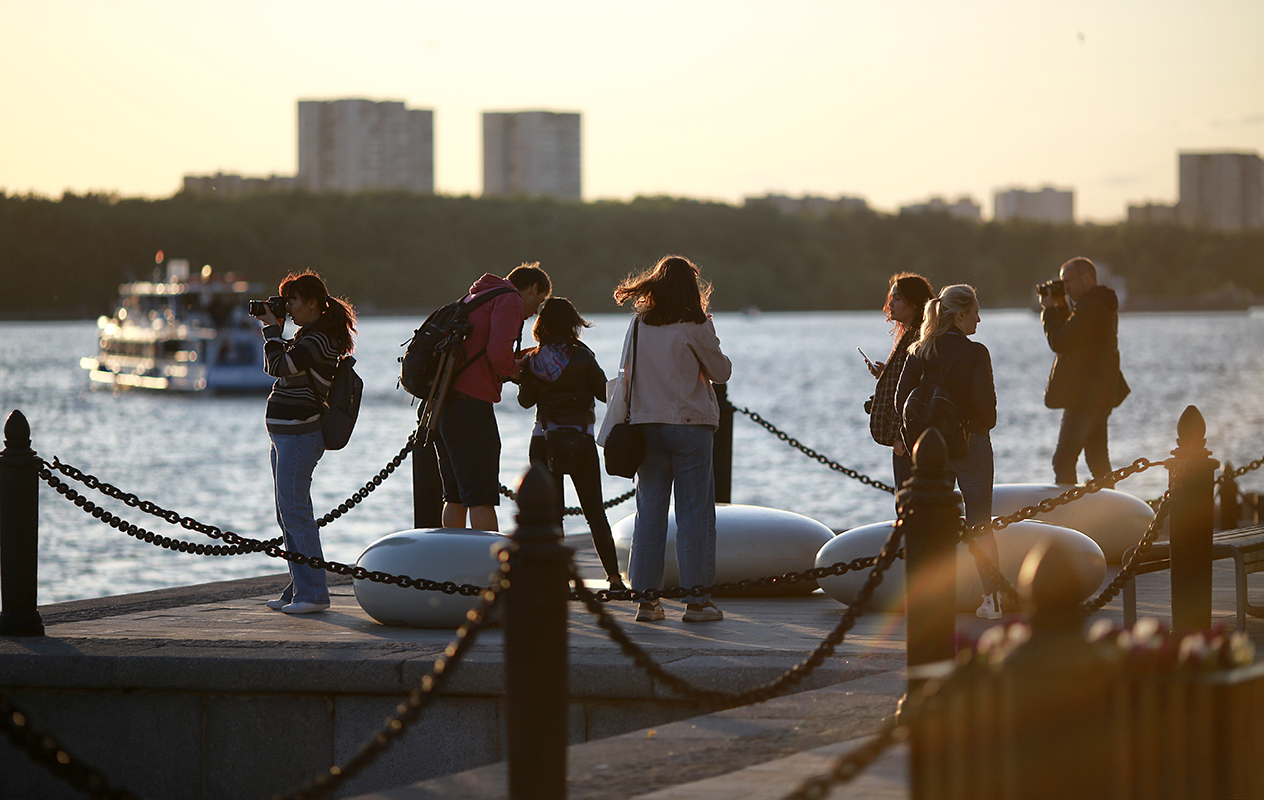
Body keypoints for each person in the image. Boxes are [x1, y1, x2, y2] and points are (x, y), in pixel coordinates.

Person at [612, 255, 732, 623]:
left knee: (649, 513)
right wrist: (710, 333)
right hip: (691, 426)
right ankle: (697, 602)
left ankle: (647, 603)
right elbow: (721, 372)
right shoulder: (696, 325)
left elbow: (626, 373)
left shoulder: (639, 324)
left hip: (647, 426)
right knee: (695, 514)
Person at [896, 284, 1003, 620]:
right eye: (974, 312)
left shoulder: (918, 351)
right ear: (959, 315)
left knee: (931, 526)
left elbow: (901, 402)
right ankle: (993, 599)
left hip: (929, 453)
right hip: (971, 445)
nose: (979, 319)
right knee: (980, 524)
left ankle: (930, 598)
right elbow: (988, 412)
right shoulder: (976, 353)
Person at [258, 271, 357, 614]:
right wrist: (279, 332)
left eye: (293, 300)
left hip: (300, 436)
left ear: (313, 302)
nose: (287, 307)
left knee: (297, 513)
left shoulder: (320, 340)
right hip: (286, 434)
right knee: (287, 514)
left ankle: (314, 593)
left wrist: (272, 332)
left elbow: (278, 366)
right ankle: (299, 585)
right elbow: (282, 364)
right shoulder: (308, 335)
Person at [517, 298, 626, 590]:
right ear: (573, 324)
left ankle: (558, 581)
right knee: (594, 513)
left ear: (542, 325)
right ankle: (614, 579)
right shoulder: (583, 357)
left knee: (552, 515)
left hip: (543, 440)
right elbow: (606, 394)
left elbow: (525, 401)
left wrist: (522, 376)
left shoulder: (532, 360)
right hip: (579, 439)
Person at [436, 264, 551, 532]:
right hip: (471, 406)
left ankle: (454, 566)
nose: (536, 311)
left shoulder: (477, 297)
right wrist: (520, 370)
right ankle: (487, 570)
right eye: (539, 301)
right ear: (532, 288)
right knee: (481, 496)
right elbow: (498, 355)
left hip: (445, 402)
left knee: (455, 495)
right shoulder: (509, 299)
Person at [1040, 257, 1129, 486]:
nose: (1065, 286)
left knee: (1063, 461)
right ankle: (1109, 508)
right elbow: (1072, 336)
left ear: (1086, 277)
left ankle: (1070, 512)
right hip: (1098, 395)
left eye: (1068, 281)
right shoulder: (1098, 304)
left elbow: (1060, 342)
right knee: (1097, 459)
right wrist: (1060, 305)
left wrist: (1050, 310)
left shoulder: (1091, 308)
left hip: (1084, 397)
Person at [867, 273, 935, 493]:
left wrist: (900, 438)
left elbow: (921, 393)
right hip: (909, 442)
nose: (890, 304)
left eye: (896, 298)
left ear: (914, 303)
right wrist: (885, 376)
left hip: (909, 444)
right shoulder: (911, 336)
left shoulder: (919, 340)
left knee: (911, 505)